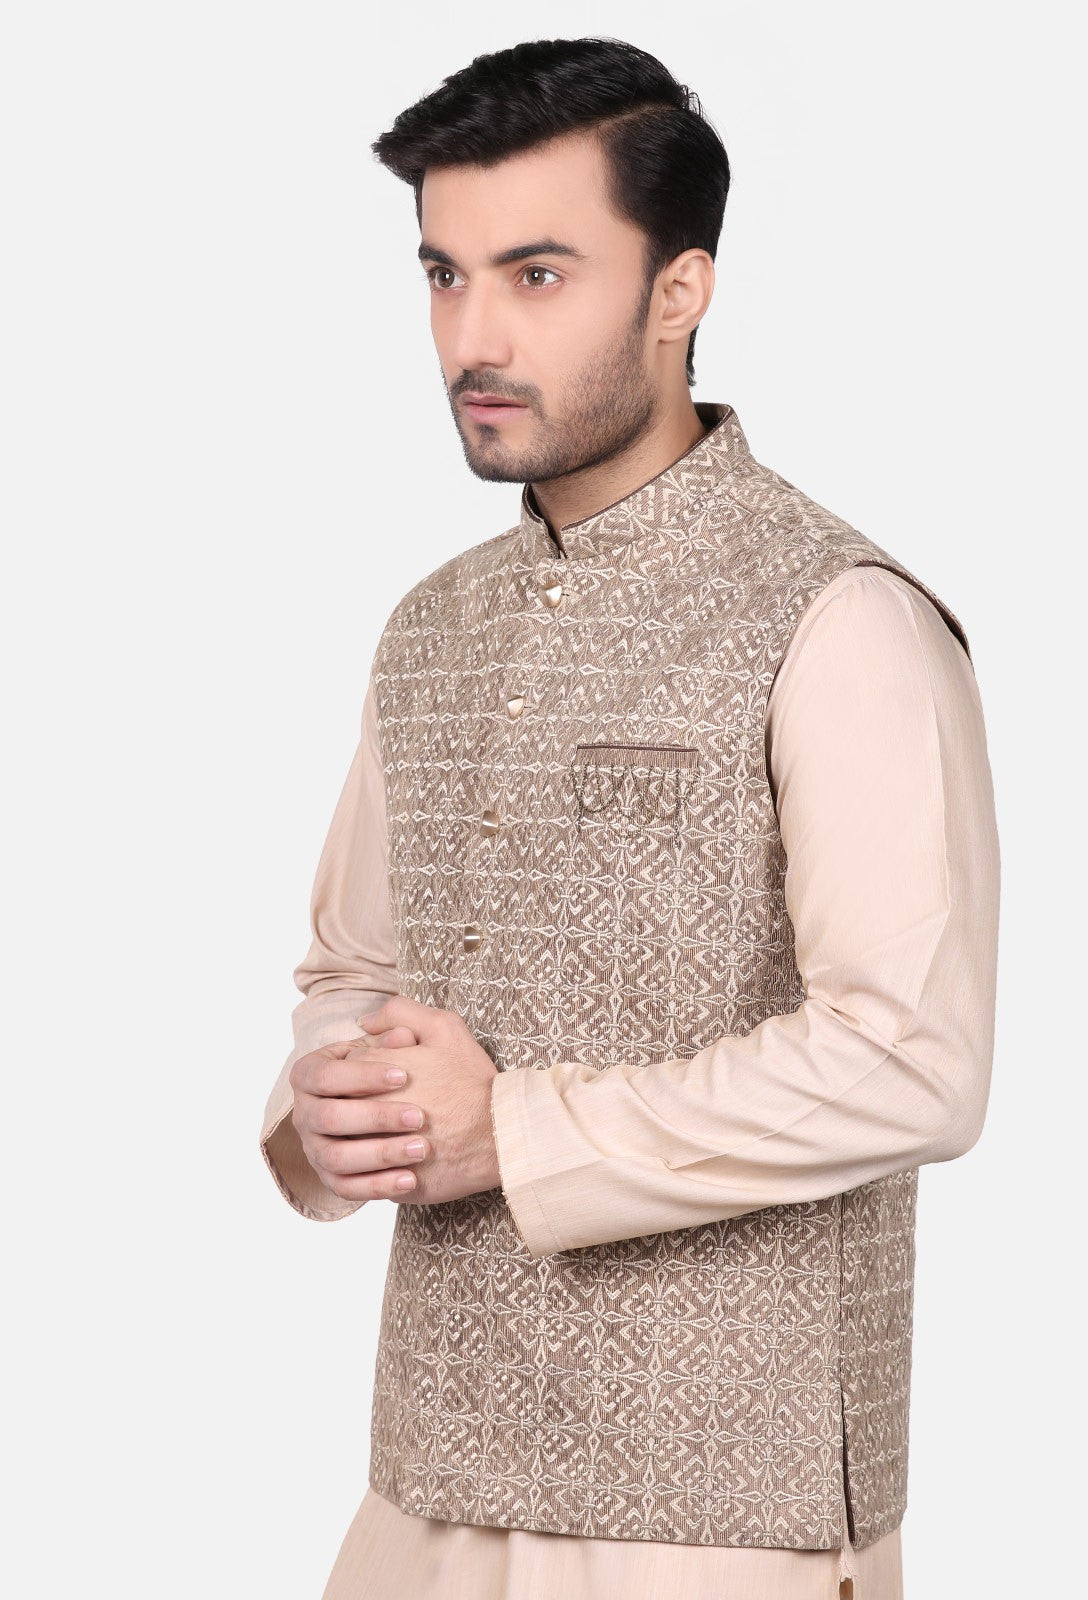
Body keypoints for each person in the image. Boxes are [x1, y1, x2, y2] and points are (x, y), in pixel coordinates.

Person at [258, 36, 1001, 1600]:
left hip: (716, 1518)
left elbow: (912, 1060)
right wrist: (330, 1096)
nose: (474, 336)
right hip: (424, 1479)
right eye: (444, 275)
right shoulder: (434, 627)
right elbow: (351, 970)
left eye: (537, 275)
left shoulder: (838, 614)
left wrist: (517, 1131)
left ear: (680, 290)